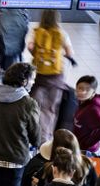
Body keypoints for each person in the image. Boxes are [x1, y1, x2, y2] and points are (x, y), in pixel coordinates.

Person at [28, 9, 74, 142]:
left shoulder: (36, 32)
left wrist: (38, 56)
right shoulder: (61, 34)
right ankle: (47, 138)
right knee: (51, 109)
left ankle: (35, 136)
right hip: (57, 77)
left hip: (41, 77)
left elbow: (30, 47)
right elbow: (70, 53)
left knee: (36, 106)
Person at [72, 75, 100, 155]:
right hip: (79, 146)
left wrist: (86, 143)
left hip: (87, 152)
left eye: (87, 90)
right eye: (80, 88)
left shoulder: (93, 109)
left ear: (93, 93)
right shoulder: (82, 101)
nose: (82, 92)